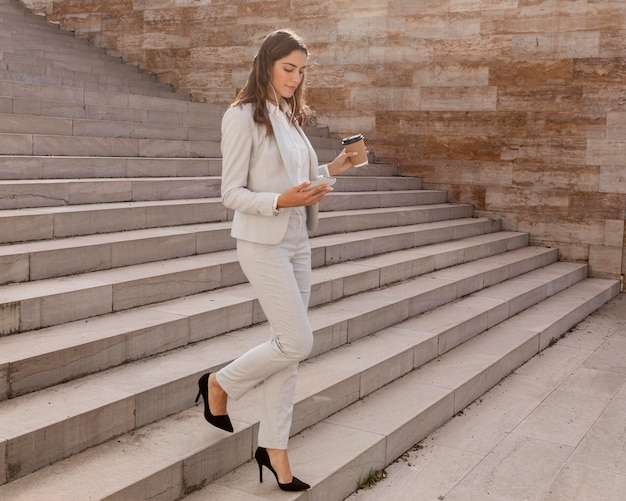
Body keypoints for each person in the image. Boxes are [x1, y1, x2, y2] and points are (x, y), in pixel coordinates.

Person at [194, 29, 359, 491]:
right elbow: (232, 193)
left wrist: (333, 169)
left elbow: (297, 178)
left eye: (302, 70)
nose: (295, 77)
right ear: (266, 64)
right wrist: (281, 202)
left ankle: (275, 448)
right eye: (289, 68)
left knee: (287, 351)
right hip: (262, 242)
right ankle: (220, 385)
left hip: (297, 241)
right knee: (296, 342)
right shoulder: (241, 116)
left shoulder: (289, 116)